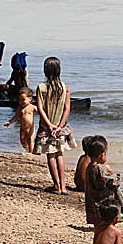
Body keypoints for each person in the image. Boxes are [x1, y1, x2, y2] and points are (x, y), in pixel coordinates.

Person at [34, 56, 76, 194]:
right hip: (60, 127)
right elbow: (67, 108)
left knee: (50, 155)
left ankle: (56, 186)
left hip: (46, 127)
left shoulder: (41, 88)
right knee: (59, 154)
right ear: (59, 70)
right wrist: (59, 126)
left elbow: (40, 108)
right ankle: (63, 186)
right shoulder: (65, 88)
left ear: (45, 71)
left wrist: (49, 125)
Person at [85, 136, 123, 223]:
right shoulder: (101, 169)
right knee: (108, 222)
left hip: (92, 203)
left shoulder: (89, 167)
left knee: (98, 224)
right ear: (102, 155)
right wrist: (112, 172)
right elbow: (114, 183)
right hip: (105, 203)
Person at [4, 87, 37, 153]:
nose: (21, 102)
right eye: (19, 100)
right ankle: (27, 151)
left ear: (30, 99)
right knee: (22, 141)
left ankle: (31, 152)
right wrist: (9, 122)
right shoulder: (19, 108)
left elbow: (42, 113)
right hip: (22, 128)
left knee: (30, 140)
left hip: (30, 128)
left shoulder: (32, 107)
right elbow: (16, 117)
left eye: (23, 99)